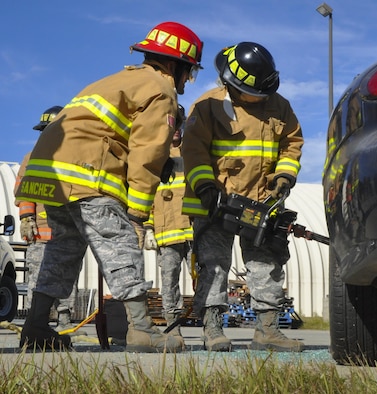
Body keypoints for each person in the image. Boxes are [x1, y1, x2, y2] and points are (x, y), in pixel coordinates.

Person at [15, 21, 203, 352]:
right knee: (121, 246)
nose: (188, 81)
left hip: (50, 175)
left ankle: (36, 326)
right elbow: (147, 152)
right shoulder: (160, 89)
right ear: (174, 65)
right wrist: (137, 213)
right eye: (189, 72)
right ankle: (142, 330)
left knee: (63, 250)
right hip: (85, 172)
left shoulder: (119, 79)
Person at [181, 42, 304, 352]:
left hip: (261, 202)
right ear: (233, 85)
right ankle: (212, 330)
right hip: (216, 202)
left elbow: (292, 145)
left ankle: (268, 331)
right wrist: (206, 187)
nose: (261, 99)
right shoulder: (207, 106)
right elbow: (193, 152)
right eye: (254, 94)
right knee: (214, 265)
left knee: (266, 263)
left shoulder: (280, 106)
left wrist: (284, 176)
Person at [15, 105, 85, 335]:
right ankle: (37, 321)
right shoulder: (31, 157)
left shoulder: (75, 157)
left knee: (68, 275)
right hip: (41, 232)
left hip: (68, 229)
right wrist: (27, 218)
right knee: (39, 277)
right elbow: (23, 192)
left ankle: (64, 320)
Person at [143, 104, 193, 347]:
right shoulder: (156, 155)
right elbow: (148, 197)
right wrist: (148, 228)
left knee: (205, 280)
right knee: (170, 282)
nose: (175, 128)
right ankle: (173, 328)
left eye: (178, 123)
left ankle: (211, 327)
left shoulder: (193, 152)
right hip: (166, 233)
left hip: (194, 231)